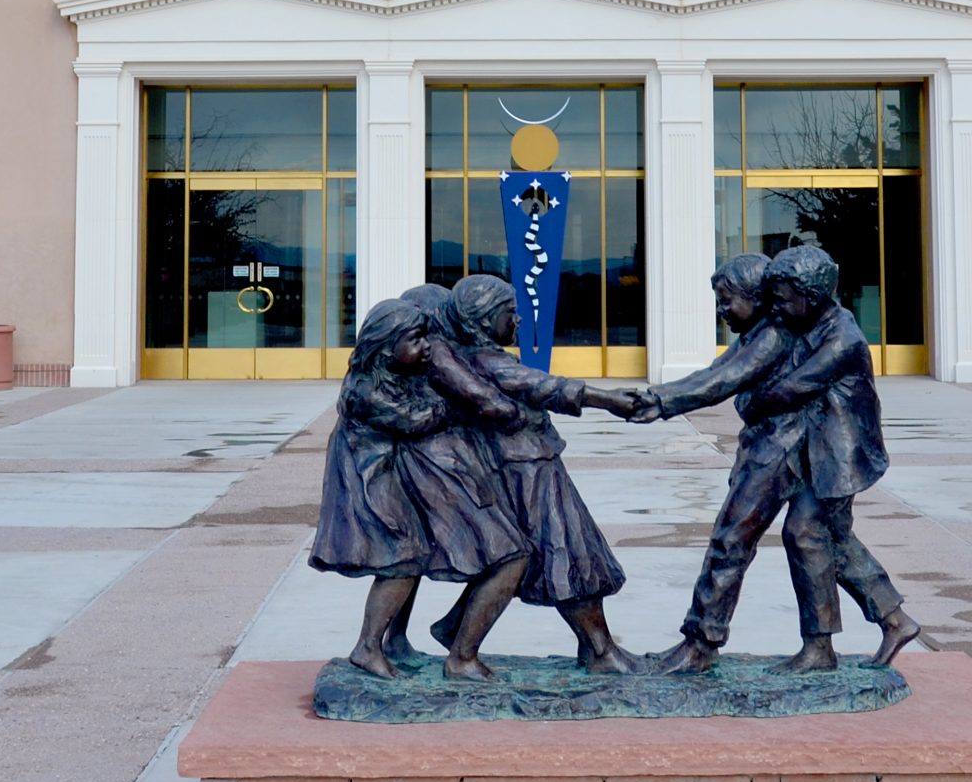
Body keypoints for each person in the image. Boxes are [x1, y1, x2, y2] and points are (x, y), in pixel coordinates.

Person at [629, 246, 917, 674]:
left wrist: (670, 401)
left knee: (751, 536)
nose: (724, 310)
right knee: (823, 540)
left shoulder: (815, 335)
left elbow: (742, 384)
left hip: (817, 453)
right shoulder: (791, 322)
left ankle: (707, 644)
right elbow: (724, 372)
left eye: (729, 300)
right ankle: (888, 621)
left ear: (807, 296)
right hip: (808, 449)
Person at [423, 274, 643, 673]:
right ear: (484, 320)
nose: (518, 321)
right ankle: (599, 651)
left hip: (527, 464)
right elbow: (544, 387)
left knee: (556, 554)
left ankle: (461, 628)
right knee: (569, 553)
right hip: (526, 471)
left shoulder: (474, 359)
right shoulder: (487, 361)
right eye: (510, 313)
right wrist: (606, 398)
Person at [311, 297, 529, 680]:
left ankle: (393, 641)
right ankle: (368, 647)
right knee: (400, 561)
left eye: (426, 337)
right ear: (383, 346)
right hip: (371, 484)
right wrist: (462, 403)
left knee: (410, 557)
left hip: (390, 477)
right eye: (415, 340)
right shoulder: (365, 391)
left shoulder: (393, 375)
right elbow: (417, 419)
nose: (427, 347)